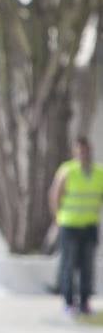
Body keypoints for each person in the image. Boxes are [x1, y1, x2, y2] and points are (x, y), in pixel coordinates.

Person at [50, 135, 103, 316]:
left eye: (85, 150)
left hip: (89, 226)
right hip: (69, 225)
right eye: (79, 150)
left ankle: (85, 302)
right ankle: (68, 301)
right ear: (75, 152)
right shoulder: (67, 171)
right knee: (69, 265)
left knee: (87, 266)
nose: (82, 154)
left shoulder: (98, 173)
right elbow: (55, 195)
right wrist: (57, 218)